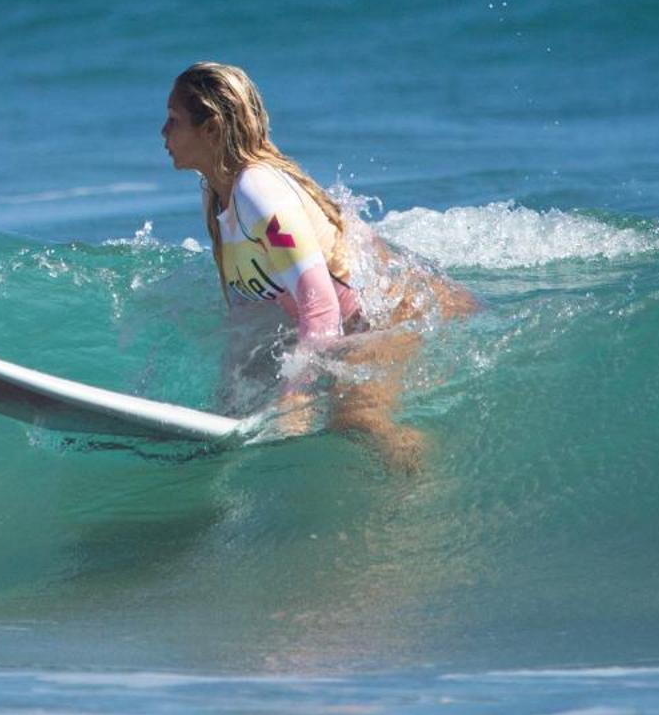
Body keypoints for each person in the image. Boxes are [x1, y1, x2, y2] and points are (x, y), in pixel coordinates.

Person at [160, 61, 475, 470]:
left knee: (354, 420)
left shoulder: (258, 191)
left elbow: (320, 303)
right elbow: (247, 310)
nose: (163, 133)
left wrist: (299, 392)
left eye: (173, 120)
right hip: (354, 320)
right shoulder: (217, 197)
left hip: (399, 312)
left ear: (212, 127)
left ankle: (422, 498)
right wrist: (231, 402)